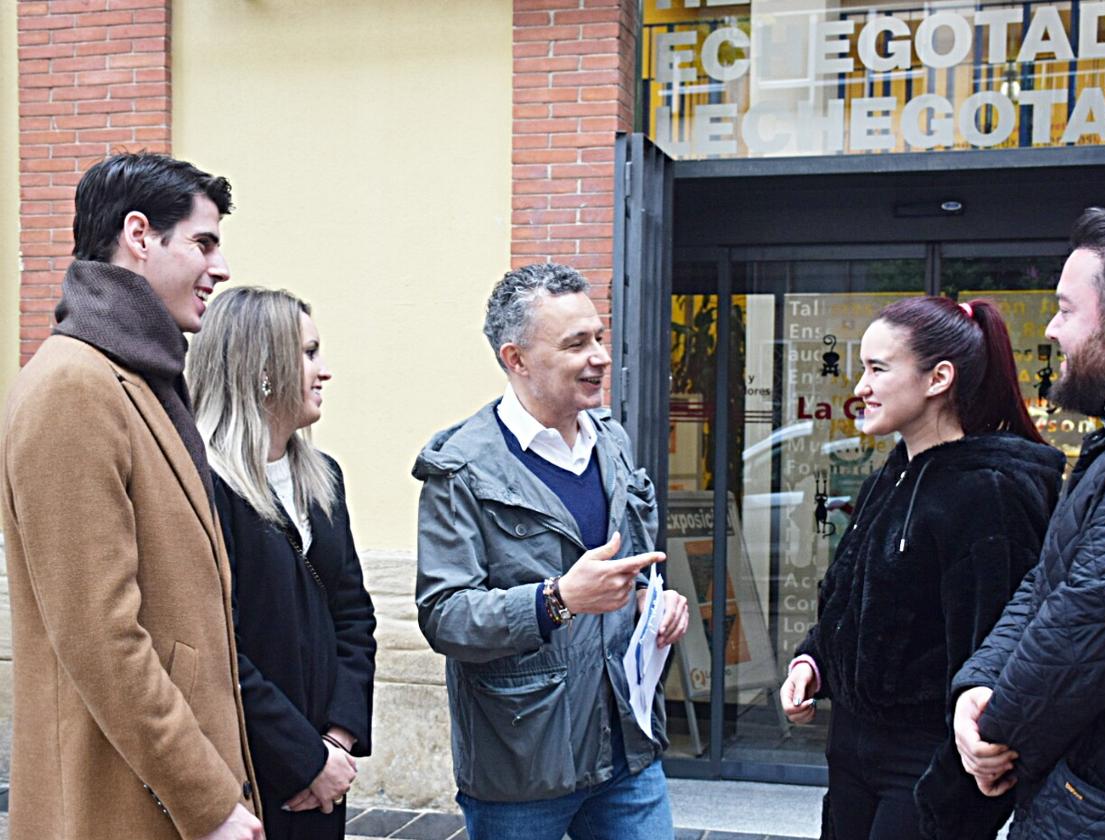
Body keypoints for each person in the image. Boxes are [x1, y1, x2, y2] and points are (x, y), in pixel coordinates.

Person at [0, 153, 263, 839]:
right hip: (118, 805)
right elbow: (102, 635)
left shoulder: (134, 378)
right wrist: (205, 800)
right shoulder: (74, 388)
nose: (221, 267)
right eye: (203, 243)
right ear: (140, 236)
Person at [413, 263, 690, 839]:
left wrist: (649, 601)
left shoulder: (610, 439)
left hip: (628, 751)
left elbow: (627, 568)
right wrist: (558, 599)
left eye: (599, 337)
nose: (601, 356)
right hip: (523, 766)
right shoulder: (461, 468)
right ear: (516, 359)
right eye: (576, 344)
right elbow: (445, 617)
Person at [953, 207, 1105, 838]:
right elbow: (1048, 584)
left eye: (1065, 309)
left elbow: (1087, 618)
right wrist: (979, 683)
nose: (1053, 331)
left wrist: (995, 729)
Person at [779, 296, 1064, 840]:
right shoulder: (889, 476)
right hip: (853, 754)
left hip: (926, 767)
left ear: (939, 379)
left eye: (877, 369)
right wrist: (812, 663)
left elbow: (998, 655)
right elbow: (851, 601)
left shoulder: (988, 491)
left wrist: (953, 794)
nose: (860, 386)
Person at [187, 287, 377, 840]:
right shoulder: (203, 487)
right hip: (250, 776)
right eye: (310, 353)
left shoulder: (324, 478)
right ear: (264, 369)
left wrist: (336, 745)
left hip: (324, 778)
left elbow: (353, 615)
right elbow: (219, 648)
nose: (324, 372)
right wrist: (303, 759)